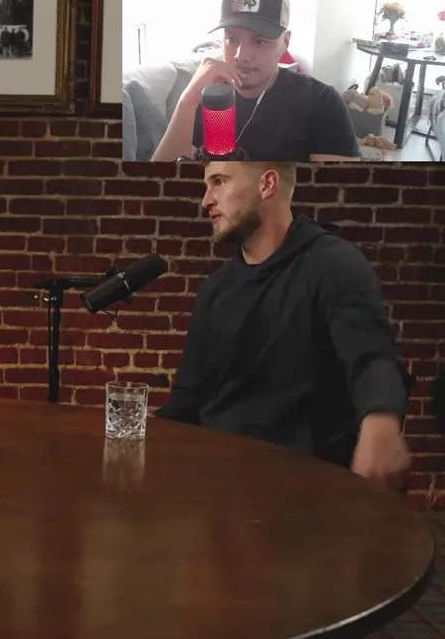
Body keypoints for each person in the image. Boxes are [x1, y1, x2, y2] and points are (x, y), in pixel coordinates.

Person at [158, 161, 412, 488]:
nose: (206, 200)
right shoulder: (216, 288)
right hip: (219, 485)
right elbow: (188, 398)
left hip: (307, 491)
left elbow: (372, 357)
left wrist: (381, 419)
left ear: (268, 184)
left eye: (219, 182)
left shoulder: (333, 264)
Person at [152, 0, 360, 163]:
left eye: (260, 41)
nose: (241, 55)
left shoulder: (322, 103)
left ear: (285, 43)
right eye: (231, 39)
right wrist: (187, 101)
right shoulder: (207, 98)